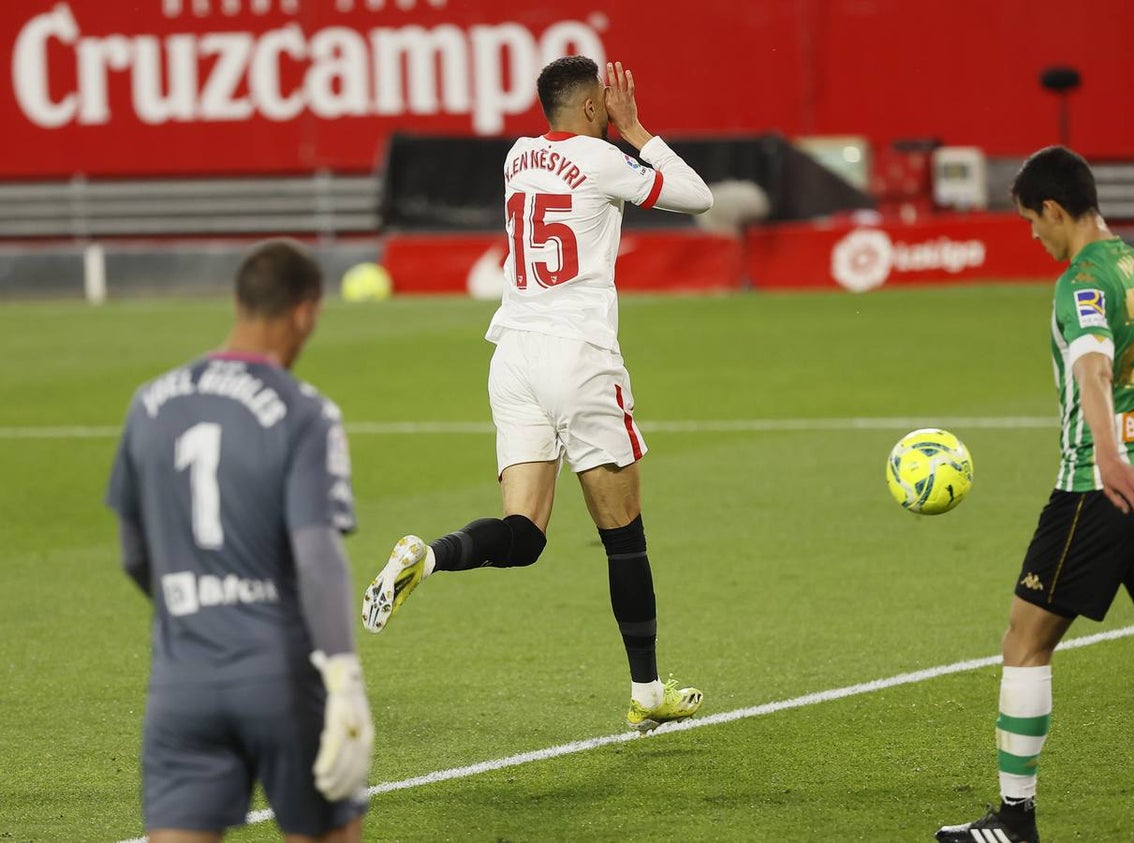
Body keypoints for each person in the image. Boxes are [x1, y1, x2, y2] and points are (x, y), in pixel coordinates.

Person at [361, 56, 713, 731]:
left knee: (524, 534)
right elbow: (698, 196)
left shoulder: (518, 158)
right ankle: (646, 691)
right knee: (624, 538)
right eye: (605, 107)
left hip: (513, 356)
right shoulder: (605, 158)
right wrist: (636, 130)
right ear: (592, 109)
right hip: (578, 358)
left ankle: (426, 555)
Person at [106, 240, 374, 842]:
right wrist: (343, 677)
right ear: (305, 312)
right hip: (279, 676)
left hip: (181, 682)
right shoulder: (305, 412)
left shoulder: (148, 403)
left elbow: (132, 551)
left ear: (239, 300)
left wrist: (197, 610)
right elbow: (317, 556)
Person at [936, 146, 1134, 843]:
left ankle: (1014, 818)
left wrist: (1111, 459)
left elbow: (1092, 370)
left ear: (1056, 210)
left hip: (1098, 484)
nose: (1035, 236)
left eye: (1034, 221)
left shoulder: (1082, 281)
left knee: (1025, 639)